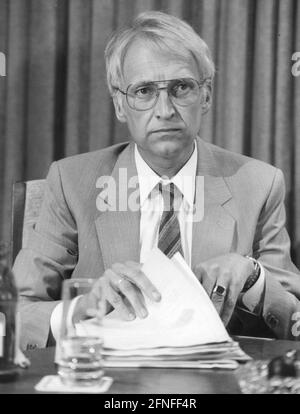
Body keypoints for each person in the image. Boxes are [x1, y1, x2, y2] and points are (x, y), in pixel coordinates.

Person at [13, 11, 300, 350]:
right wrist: (84, 307)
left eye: (181, 87)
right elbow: (16, 310)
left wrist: (253, 277)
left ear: (205, 96)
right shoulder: (72, 182)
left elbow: (292, 317)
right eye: (144, 90)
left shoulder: (259, 183)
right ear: (121, 105)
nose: (165, 109)